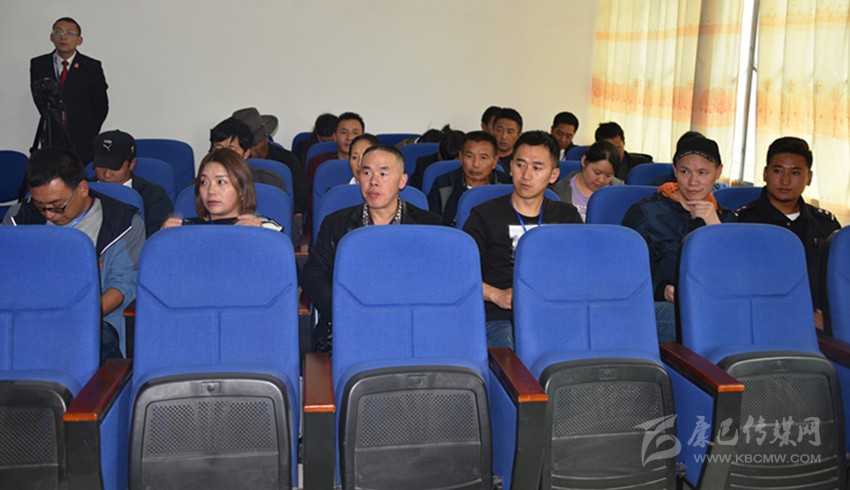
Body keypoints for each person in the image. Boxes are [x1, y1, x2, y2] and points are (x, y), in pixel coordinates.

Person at [3, 147, 143, 362]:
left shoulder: (123, 224)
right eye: (40, 206)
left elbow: (122, 286)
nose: (49, 214)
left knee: (77, 346)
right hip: (24, 316)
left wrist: (75, 317)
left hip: (95, 320)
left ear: (83, 189)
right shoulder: (18, 219)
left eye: (57, 206)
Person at [302, 145, 441, 352]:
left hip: (409, 326)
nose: (373, 181)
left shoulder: (429, 225)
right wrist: (348, 313)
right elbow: (313, 276)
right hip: (348, 325)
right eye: (366, 173)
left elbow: (436, 282)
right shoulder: (336, 223)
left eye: (383, 174)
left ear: (402, 181)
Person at [463, 131, 583, 348]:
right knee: (514, 353)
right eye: (520, 165)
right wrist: (496, 295)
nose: (526, 175)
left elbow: (581, 272)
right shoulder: (484, 216)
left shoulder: (567, 216)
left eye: (537, 168)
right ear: (510, 167)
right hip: (502, 316)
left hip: (555, 311)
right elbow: (460, 274)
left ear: (554, 175)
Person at [622, 136, 735, 341]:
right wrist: (662, 289)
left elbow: (737, 277)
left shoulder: (725, 218)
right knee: (707, 320)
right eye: (684, 172)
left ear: (718, 172)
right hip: (660, 304)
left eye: (702, 173)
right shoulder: (646, 213)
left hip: (714, 303)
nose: (693, 182)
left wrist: (714, 227)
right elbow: (626, 273)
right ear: (674, 170)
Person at [736, 136, 841, 329]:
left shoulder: (825, 224)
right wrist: (802, 317)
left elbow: (840, 280)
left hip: (825, 324)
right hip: (763, 323)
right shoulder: (743, 223)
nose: (785, 180)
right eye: (778, 171)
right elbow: (741, 285)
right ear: (765, 174)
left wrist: (833, 316)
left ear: (808, 178)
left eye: (795, 172)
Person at [30, 17, 108, 165]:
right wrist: (54, 121)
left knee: (80, 175)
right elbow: (38, 99)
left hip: (82, 139)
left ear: (79, 40)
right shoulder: (39, 64)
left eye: (70, 33)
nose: (63, 37)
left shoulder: (91, 66)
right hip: (52, 136)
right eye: (58, 32)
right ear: (51, 37)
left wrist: (89, 131)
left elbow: (101, 105)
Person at [161, 148, 284, 232]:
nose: (211, 191)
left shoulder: (264, 228)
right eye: (204, 182)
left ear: (242, 189)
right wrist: (163, 239)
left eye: (221, 182)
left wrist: (263, 237)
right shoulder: (184, 230)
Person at [91, 129, 173, 237]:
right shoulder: (82, 189)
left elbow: (157, 237)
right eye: (101, 166)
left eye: (115, 168)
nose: (107, 174)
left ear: (132, 164)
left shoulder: (153, 195)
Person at [233, 107, 308, 214]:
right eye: (245, 147)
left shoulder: (288, 160)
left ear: (266, 139)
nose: (251, 152)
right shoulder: (229, 163)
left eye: (255, 145)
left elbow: (301, 200)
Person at [428, 131, 510, 226]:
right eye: (469, 156)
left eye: (483, 158)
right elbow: (433, 225)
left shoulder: (506, 186)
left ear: (495, 161)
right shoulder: (444, 184)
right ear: (461, 157)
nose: (475, 164)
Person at [208, 117, 288, 194]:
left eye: (231, 150)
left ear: (246, 154)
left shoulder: (270, 183)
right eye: (218, 149)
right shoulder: (204, 182)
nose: (224, 154)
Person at [551, 140, 623, 221]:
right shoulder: (560, 192)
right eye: (597, 172)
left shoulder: (620, 191)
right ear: (584, 161)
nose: (601, 180)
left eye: (608, 175)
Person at [306, 112, 365, 189]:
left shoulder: (371, 165)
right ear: (335, 136)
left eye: (355, 133)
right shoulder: (318, 163)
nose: (349, 137)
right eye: (344, 132)